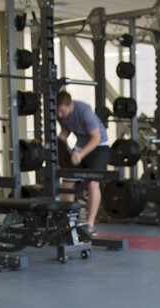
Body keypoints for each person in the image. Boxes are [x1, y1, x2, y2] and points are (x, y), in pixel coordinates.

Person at [55, 90, 109, 239]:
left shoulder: (84, 111)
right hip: (81, 147)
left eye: (62, 111)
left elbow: (96, 137)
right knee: (67, 183)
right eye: (58, 111)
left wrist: (80, 154)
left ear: (70, 105)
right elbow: (66, 130)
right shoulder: (62, 115)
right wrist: (57, 142)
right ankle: (68, 223)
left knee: (92, 184)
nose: (59, 115)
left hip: (99, 146)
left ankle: (90, 225)